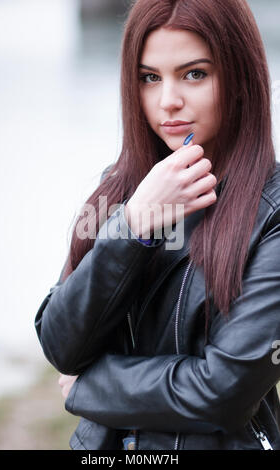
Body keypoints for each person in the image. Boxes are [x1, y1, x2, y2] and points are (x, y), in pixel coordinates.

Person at [35, 0, 280, 450]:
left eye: (194, 74)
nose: (168, 101)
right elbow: (59, 342)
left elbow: (224, 390)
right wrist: (132, 226)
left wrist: (90, 386)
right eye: (149, 78)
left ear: (241, 79)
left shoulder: (273, 215)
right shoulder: (124, 188)